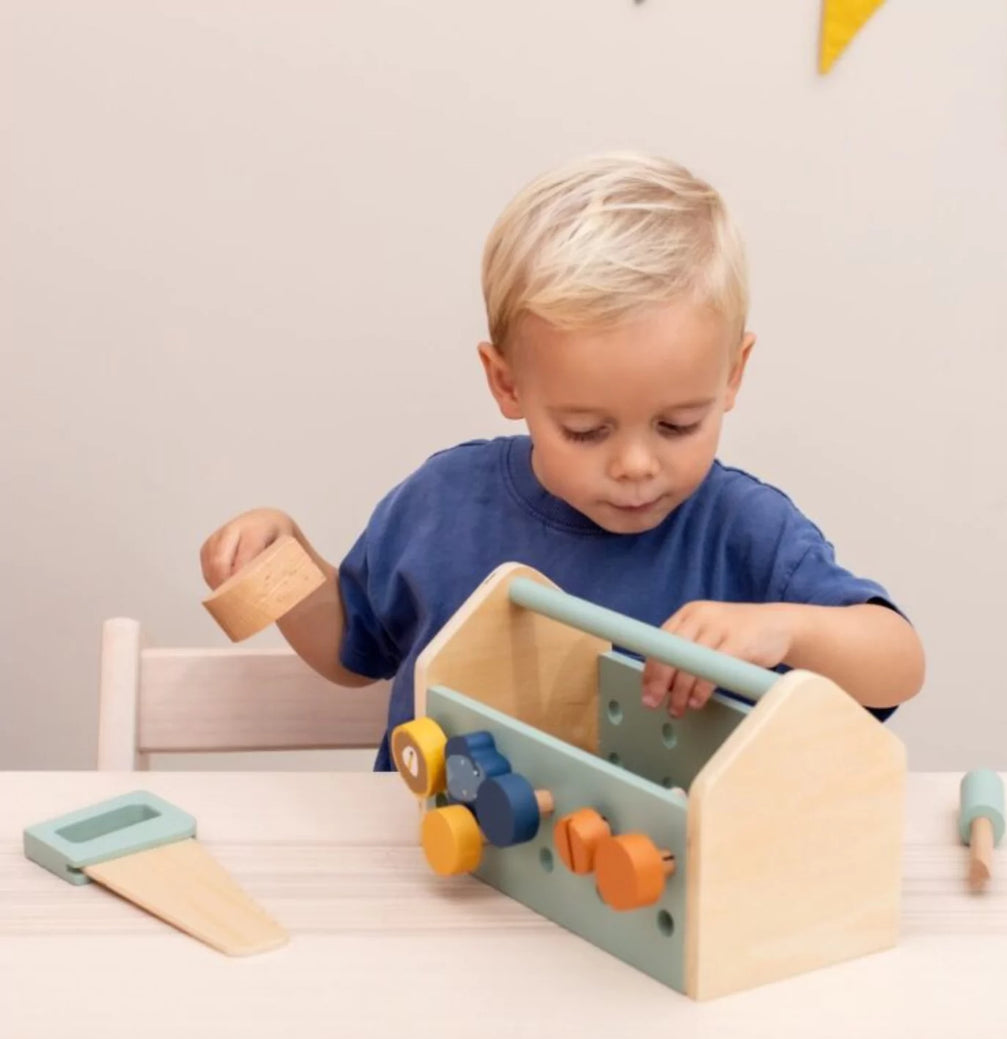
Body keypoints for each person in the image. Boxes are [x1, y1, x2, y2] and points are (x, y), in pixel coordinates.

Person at [200, 152, 925, 770]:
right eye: (586, 430)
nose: (637, 464)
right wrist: (281, 562)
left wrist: (785, 629)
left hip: (647, 900)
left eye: (678, 423)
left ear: (733, 375)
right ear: (507, 384)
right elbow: (349, 651)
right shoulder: (442, 503)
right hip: (439, 881)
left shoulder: (743, 529)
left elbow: (898, 662)